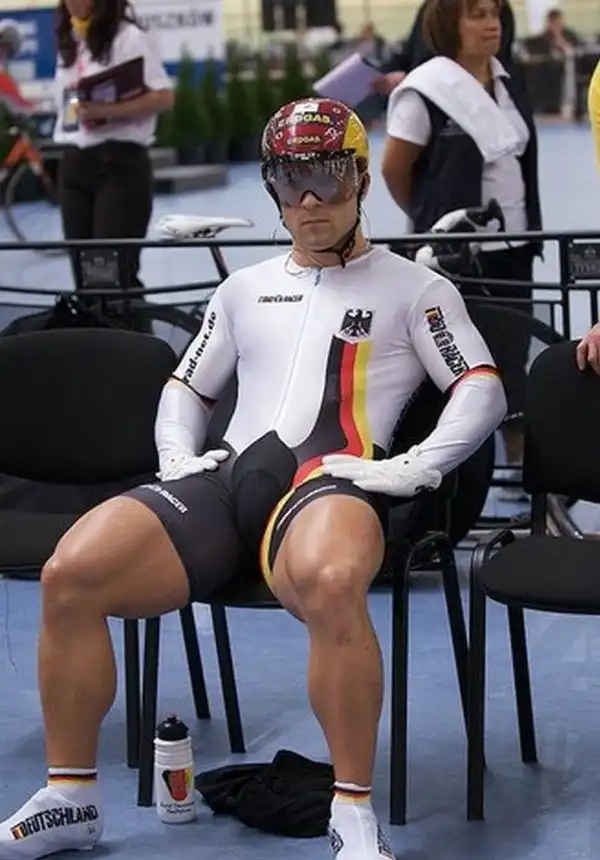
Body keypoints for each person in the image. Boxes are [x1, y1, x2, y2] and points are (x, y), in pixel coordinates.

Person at [0, 97, 506, 860]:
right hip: (226, 478)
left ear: (361, 180)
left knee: (332, 579)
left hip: (330, 480)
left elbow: (481, 388)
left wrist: (416, 465)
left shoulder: (415, 289)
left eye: (328, 178)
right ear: (271, 186)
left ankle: (352, 812)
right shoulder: (242, 288)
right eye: (290, 180)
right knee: (70, 572)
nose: (309, 200)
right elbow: (188, 386)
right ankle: (71, 798)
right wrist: (177, 456)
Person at [381, 0, 541, 485]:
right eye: (476, 15)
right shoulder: (423, 90)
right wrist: (430, 219)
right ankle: (453, 475)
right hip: (453, 258)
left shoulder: (509, 82)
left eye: (494, 13)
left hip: (514, 247)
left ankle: (520, 472)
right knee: (455, 365)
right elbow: (395, 170)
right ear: (449, 24)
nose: (491, 24)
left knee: (513, 356)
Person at [53, 0, 173, 293]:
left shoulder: (128, 37)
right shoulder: (71, 41)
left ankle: (128, 323)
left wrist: (105, 111)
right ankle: (90, 322)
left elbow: (163, 96)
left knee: (110, 276)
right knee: (84, 277)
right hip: (74, 160)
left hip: (118, 162)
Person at [373, 0, 516, 95]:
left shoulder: (494, 7)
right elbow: (411, 51)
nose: (492, 24)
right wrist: (389, 74)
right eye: (479, 16)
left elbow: (497, 59)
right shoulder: (430, 8)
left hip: (467, 95)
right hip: (423, 94)